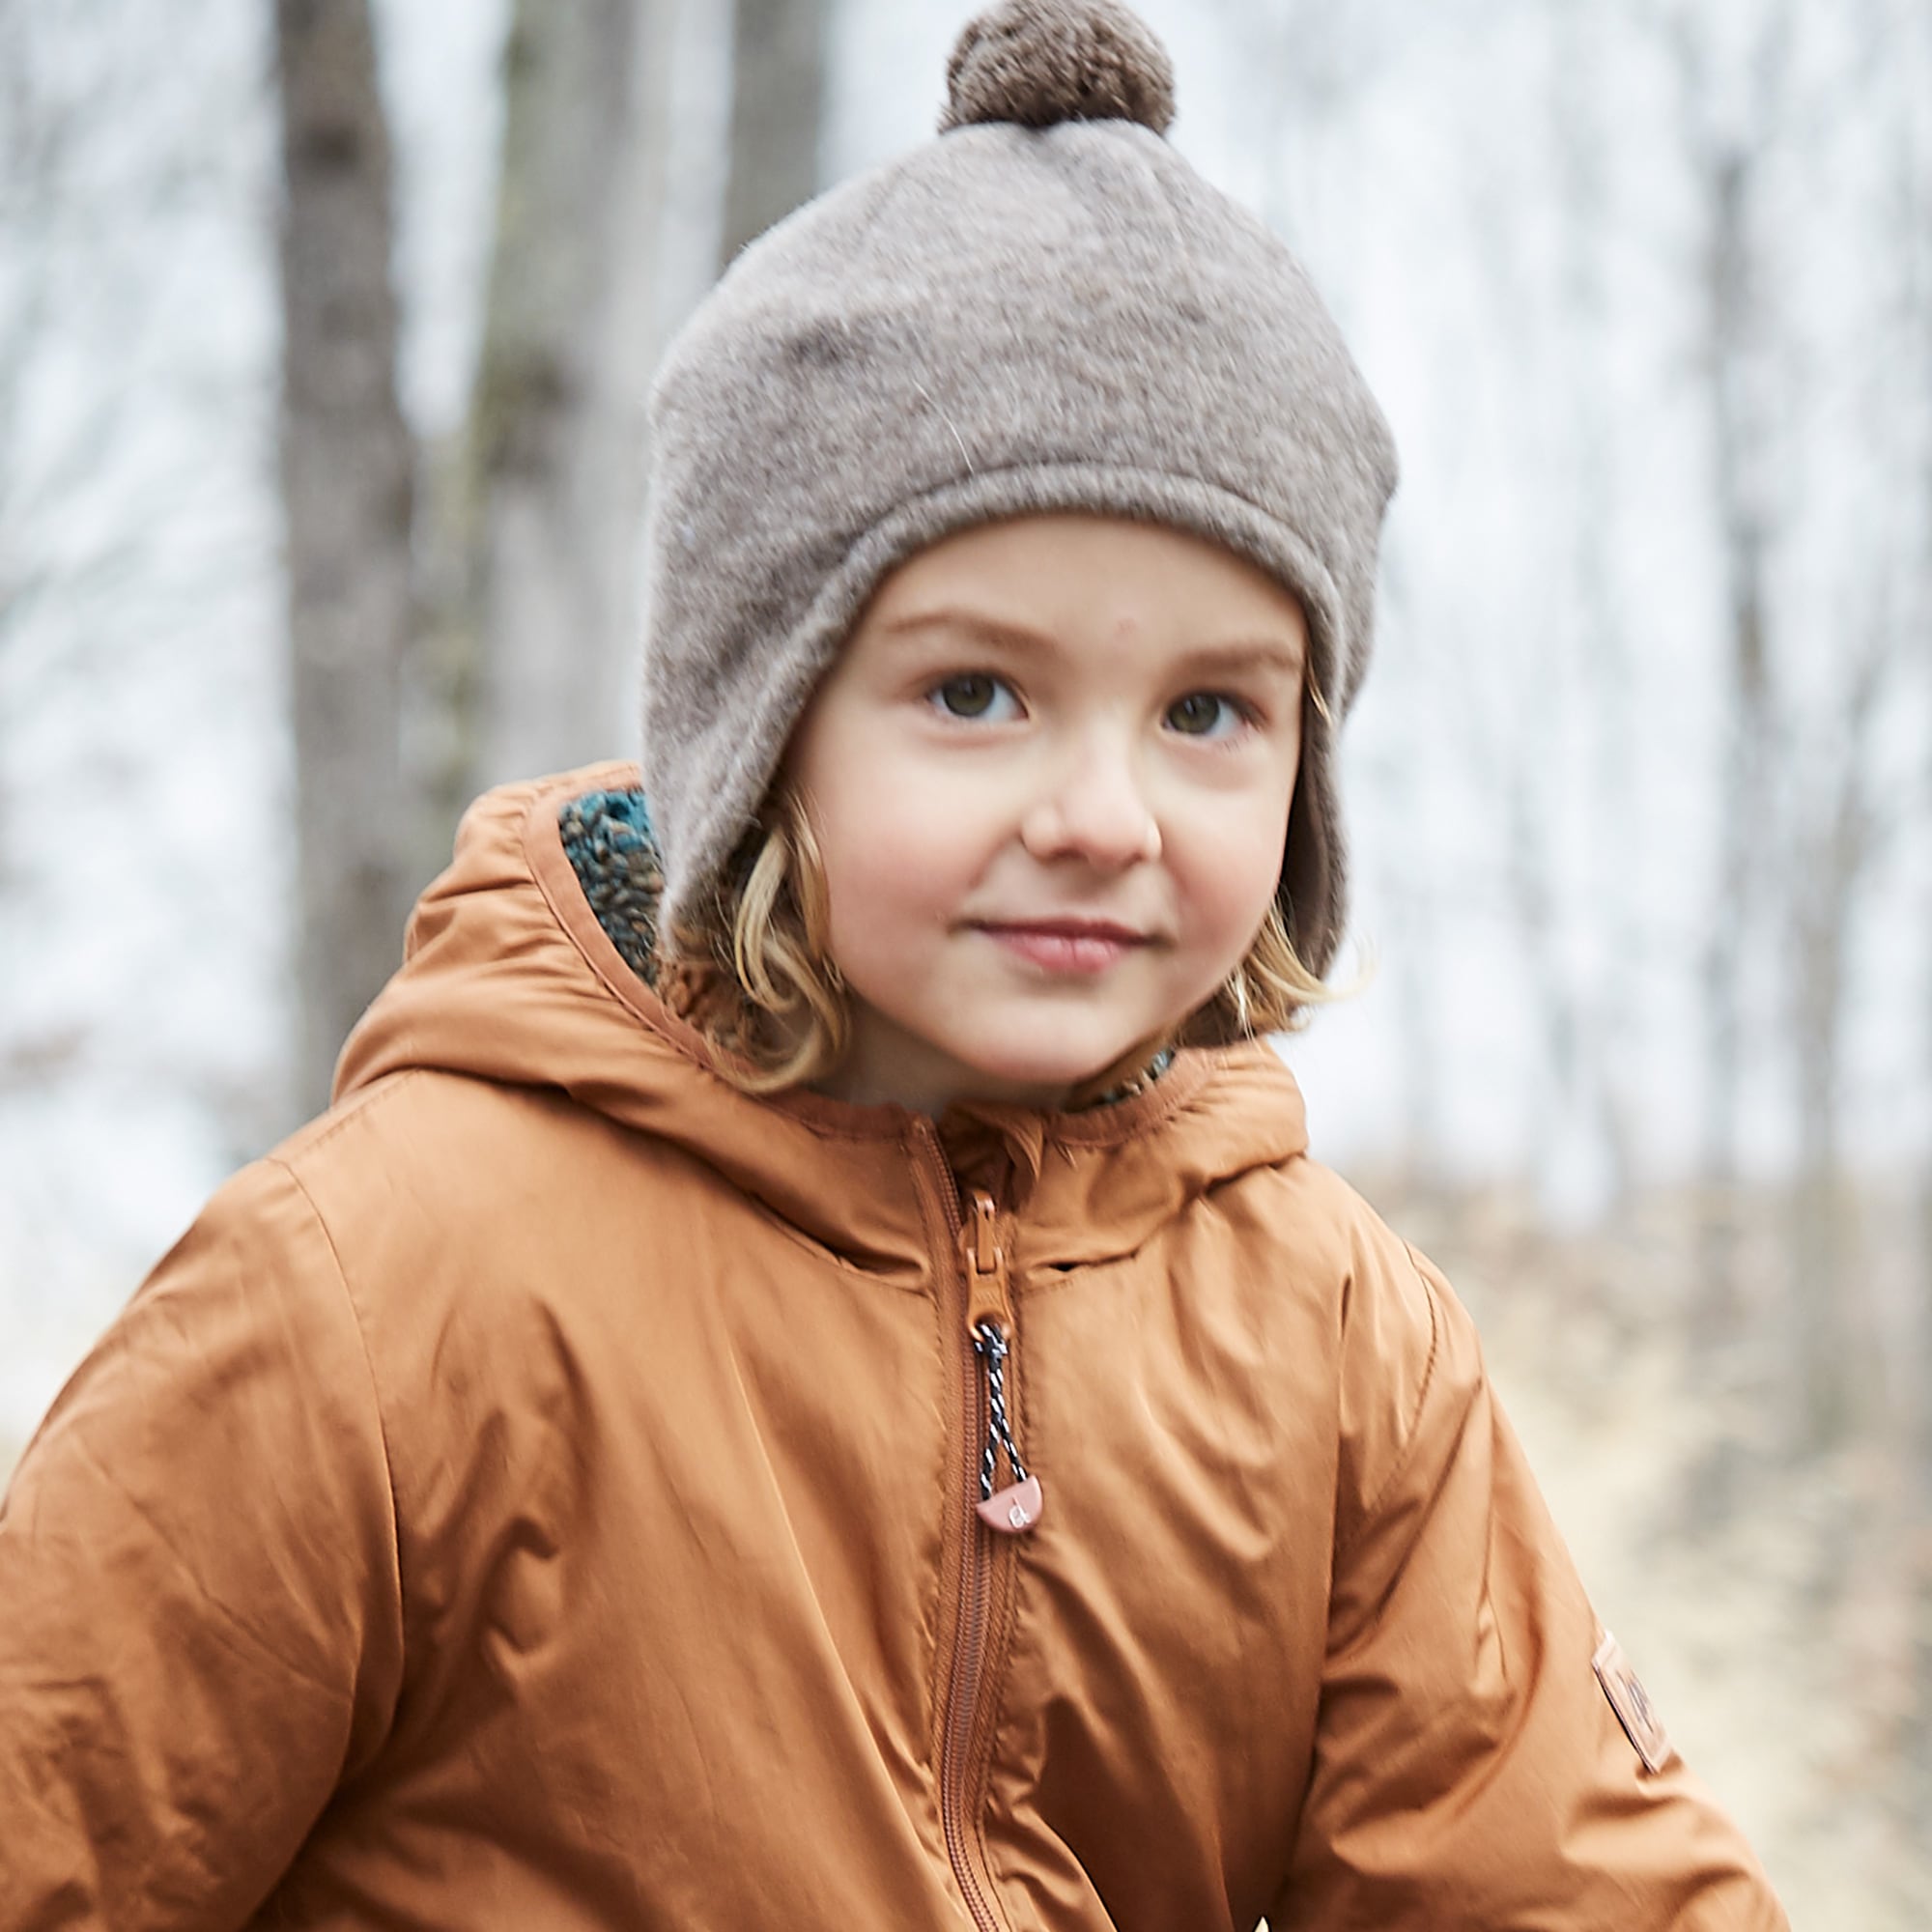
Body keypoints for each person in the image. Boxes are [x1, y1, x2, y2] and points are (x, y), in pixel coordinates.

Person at [0, 3, 1787, 1926]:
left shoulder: (1330, 1340)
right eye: (975, 690)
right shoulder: (382, 1294)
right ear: (759, 729)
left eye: (1207, 711)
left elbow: (1562, 1880)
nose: (1104, 810)